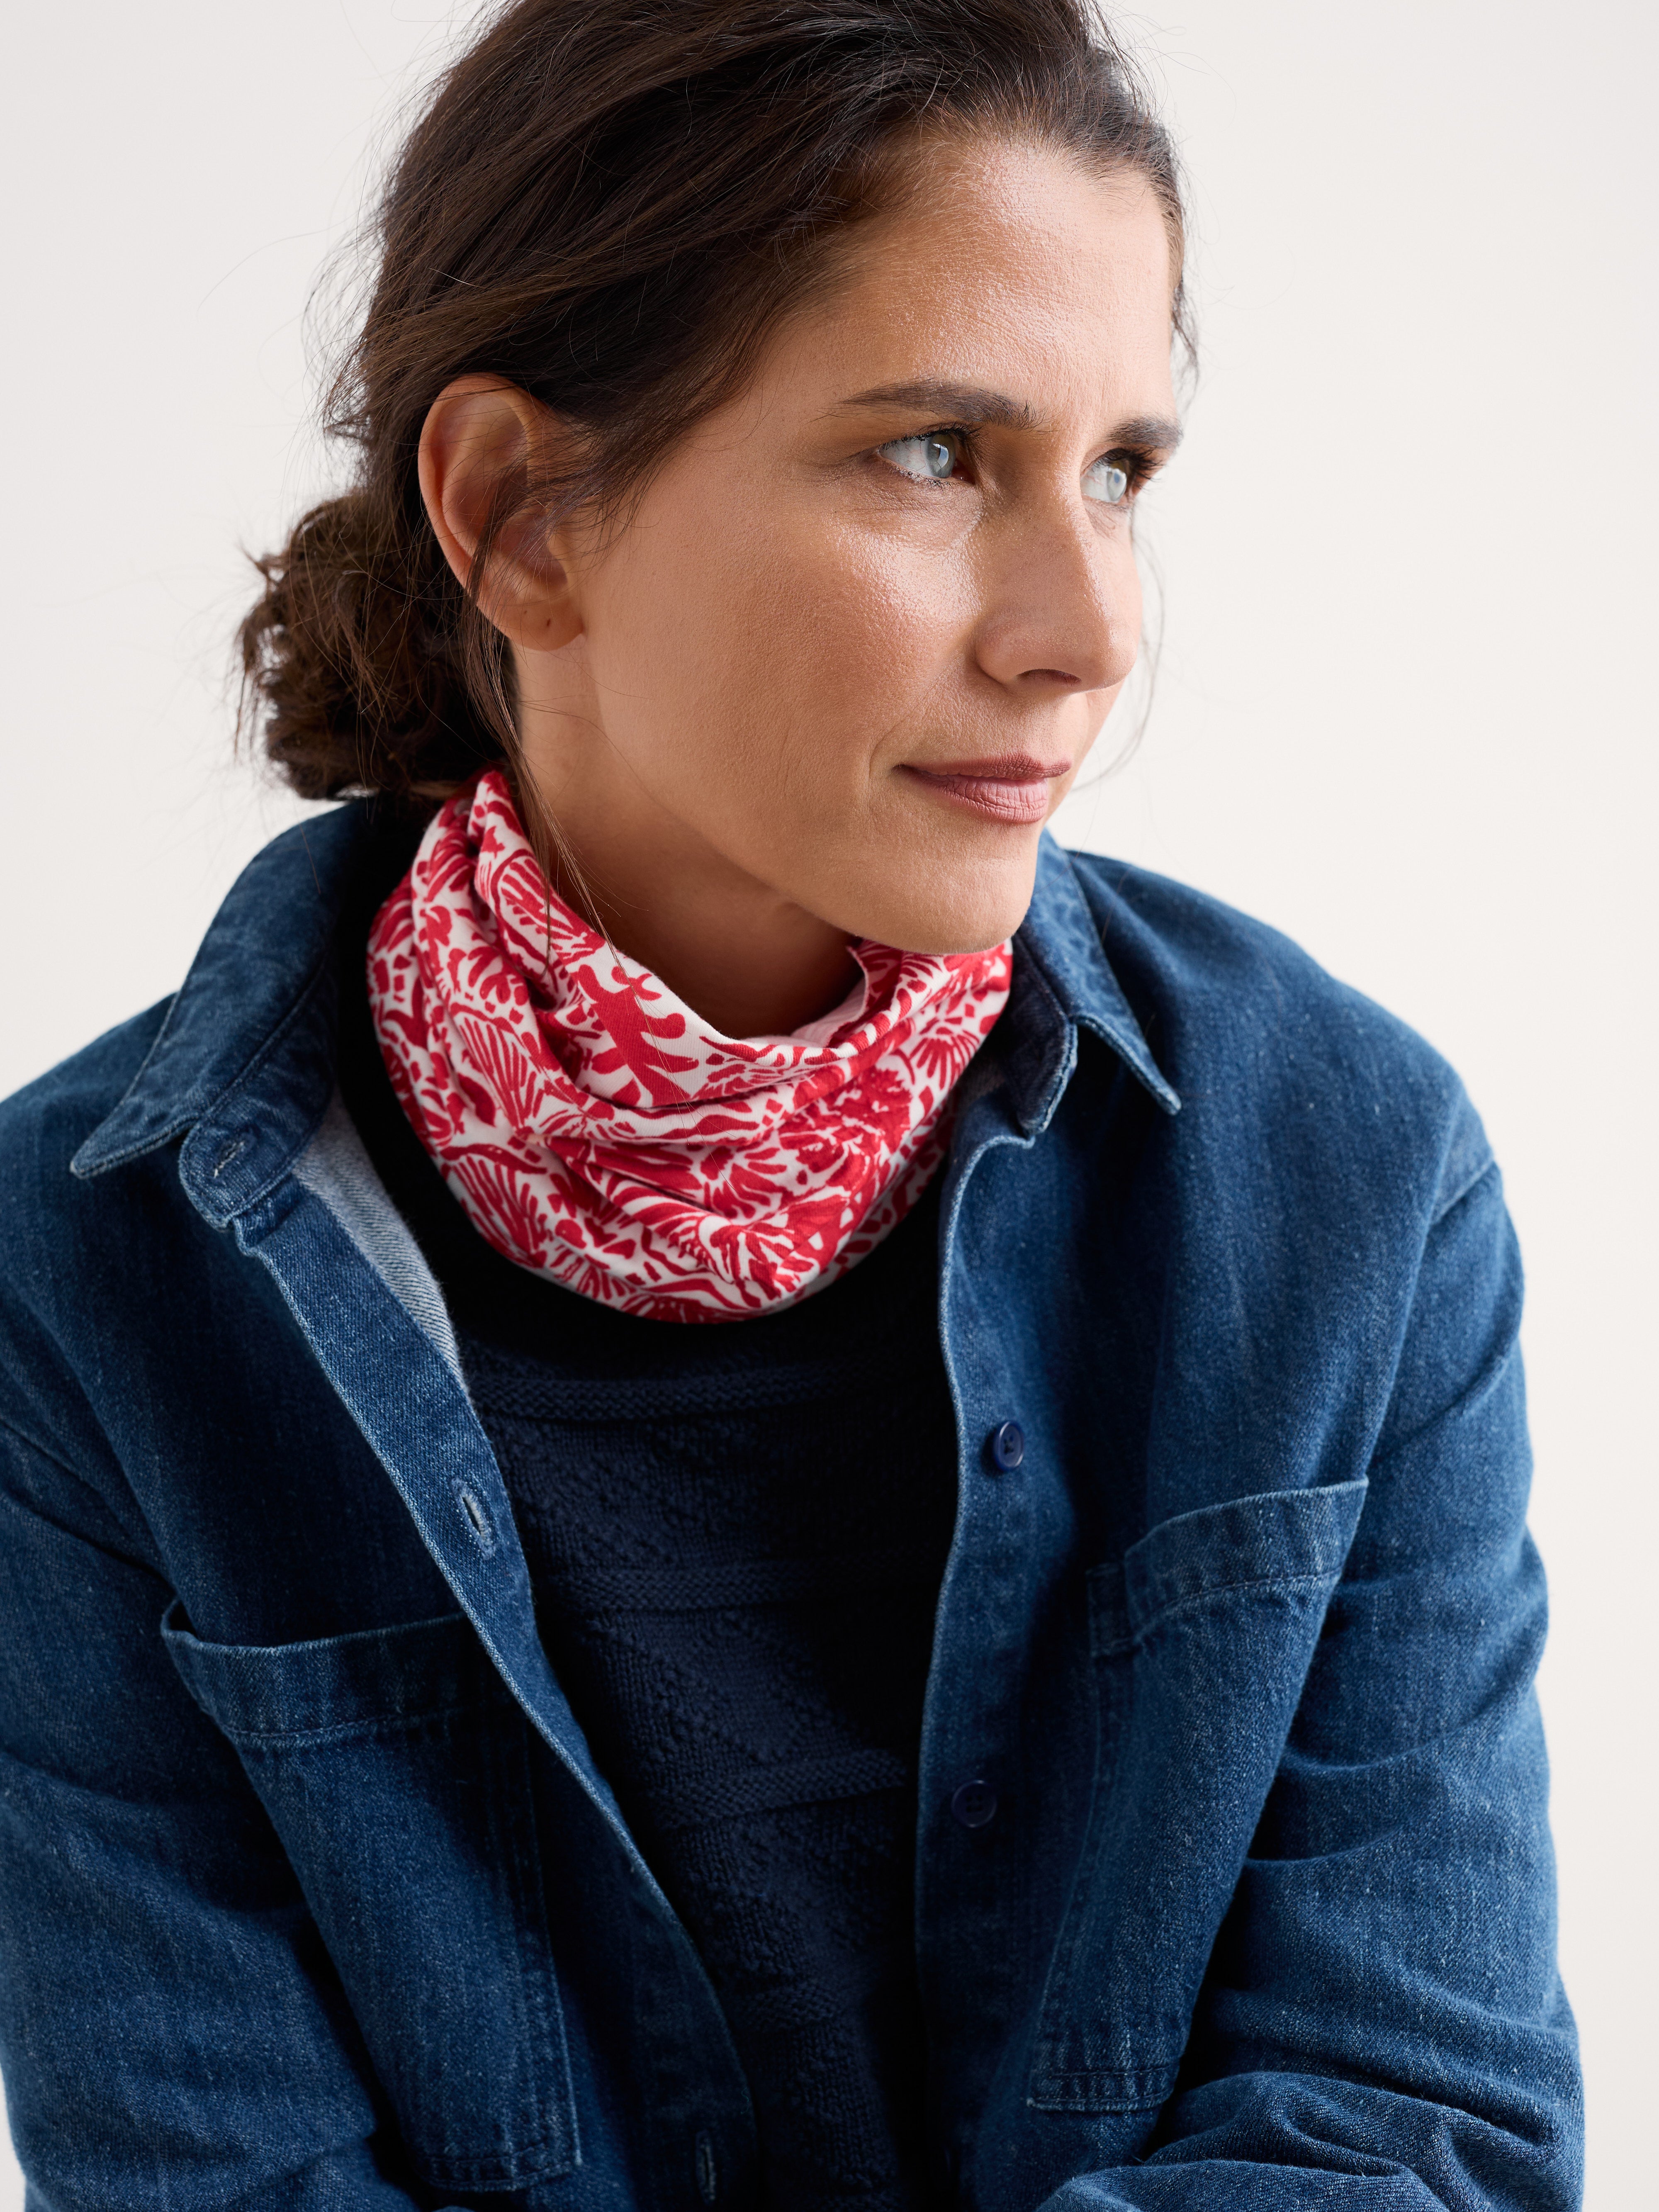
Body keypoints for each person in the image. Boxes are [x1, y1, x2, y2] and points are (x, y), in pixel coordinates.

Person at [0, 0, 1582, 2205]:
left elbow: (1413, 2134)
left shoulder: (1351, 1176)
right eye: (935, 452)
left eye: (1120, 472)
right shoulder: (82, 1281)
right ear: (519, 515)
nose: (1088, 628)